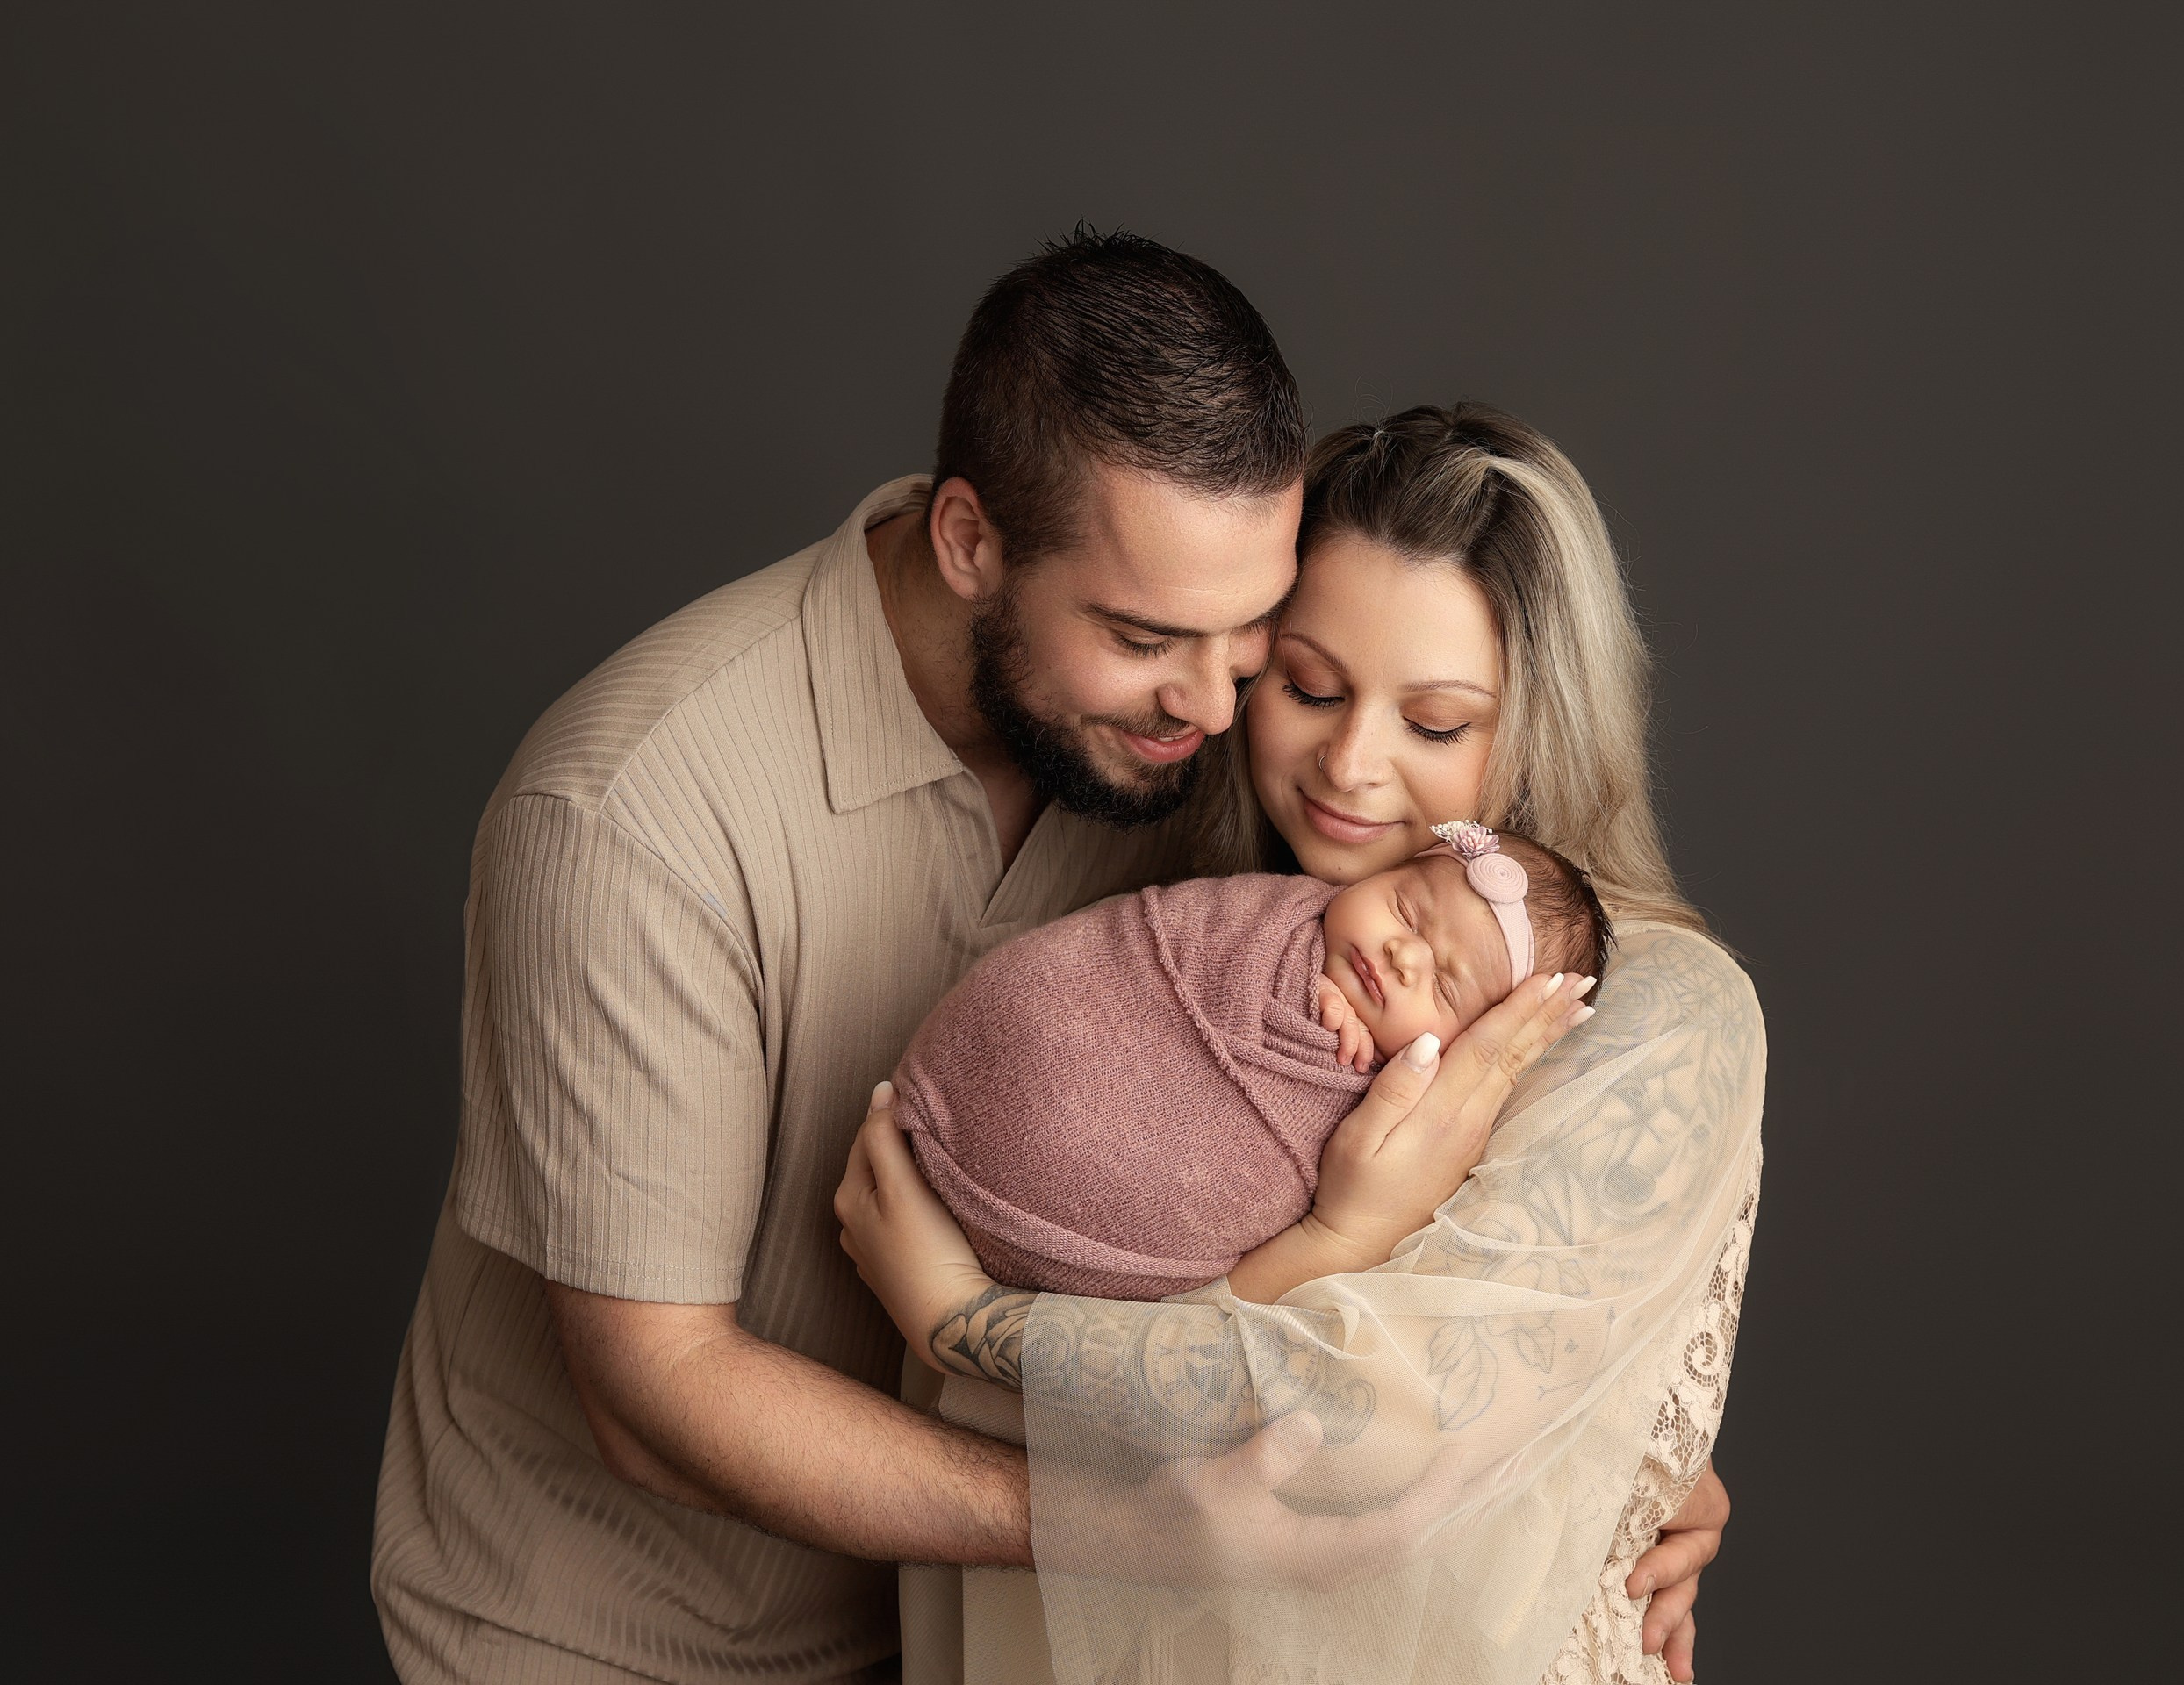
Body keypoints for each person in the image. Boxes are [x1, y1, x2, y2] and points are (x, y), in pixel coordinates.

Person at [371, 234, 1724, 1685]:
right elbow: (659, 1395)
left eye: (1256, 639)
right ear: (970, 543)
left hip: (982, 1639)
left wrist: (1596, 1462)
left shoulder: (1221, 773)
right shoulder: (636, 818)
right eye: (1151, 636)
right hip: (631, 1642)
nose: (1224, 702)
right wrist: (1134, 1526)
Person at [838, 405, 1763, 1685]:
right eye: (1310, 686)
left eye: (1436, 723)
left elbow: (1334, 1442)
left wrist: (958, 1315)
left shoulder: (1649, 1016)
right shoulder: (1163, 937)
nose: (1350, 763)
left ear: (1539, 725)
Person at [891, 825, 1605, 1301]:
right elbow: (1165, 947)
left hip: (1046, 1267)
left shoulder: (1415, 1116)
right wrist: (1293, 978)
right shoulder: (1275, 912)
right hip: (989, 1067)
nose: (1401, 954)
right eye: (1406, 909)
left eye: (1445, 986)